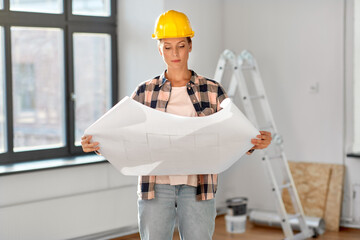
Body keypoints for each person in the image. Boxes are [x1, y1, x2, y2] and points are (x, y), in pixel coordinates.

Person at [81, 10, 272, 240]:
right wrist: (97, 144)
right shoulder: (145, 91)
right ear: (159, 48)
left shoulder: (212, 90)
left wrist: (254, 141)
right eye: (168, 46)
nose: (175, 53)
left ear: (190, 46)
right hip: (155, 186)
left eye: (181, 45)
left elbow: (230, 132)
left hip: (198, 186)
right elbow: (122, 133)